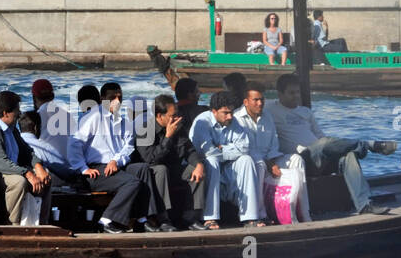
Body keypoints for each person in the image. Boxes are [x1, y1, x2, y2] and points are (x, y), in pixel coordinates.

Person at [267, 73, 396, 215]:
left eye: (297, 92)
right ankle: (369, 145)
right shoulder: (270, 110)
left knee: (349, 155)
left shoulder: (306, 112)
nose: (296, 96)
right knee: (323, 143)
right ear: (279, 94)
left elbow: (321, 136)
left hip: (320, 156)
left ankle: (364, 204)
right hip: (301, 159)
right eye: (291, 93)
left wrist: (332, 147)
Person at [68, 83, 161, 233]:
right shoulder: (93, 117)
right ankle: (106, 220)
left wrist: (115, 161)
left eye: (120, 97)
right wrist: (83, 168)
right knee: (132, 183)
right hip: (96, 170)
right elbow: (74, 143)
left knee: (143, 169)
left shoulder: (122, 120)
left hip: (115, 166)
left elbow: (128, 145)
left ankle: (143, 218)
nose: (117, 101)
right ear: (102, 98)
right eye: (112, 97)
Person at [0, 91, 51, 225]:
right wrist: (27, 174)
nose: (19, 114)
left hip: (13, 168)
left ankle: (43, 223)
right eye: (17, 111)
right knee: (18, 182)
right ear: (5, 113)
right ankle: (11, 223)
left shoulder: (12, 128)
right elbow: (1, 163)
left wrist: (38, 167)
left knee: (46, 177)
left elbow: (26, 151)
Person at [190, 91, 266, 229]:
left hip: (227, 166)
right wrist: (228, 149)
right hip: (206, 166)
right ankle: (209, 218)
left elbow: (244, 148)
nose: (230, 116)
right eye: (225, 113)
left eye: (231, 112)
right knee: (212, 161)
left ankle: (249, 217)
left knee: (247, 160)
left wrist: (222, 149)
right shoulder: (202, 122)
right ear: (214, 111)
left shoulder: (233, 121)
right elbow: (207, 152)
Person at [235, 83, 308, 223]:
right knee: (259, 164)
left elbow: (274, 143)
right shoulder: (237, 119)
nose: (260, 103)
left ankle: (303, 212)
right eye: (255, 100)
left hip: (271, 158)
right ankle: (261, 215)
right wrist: (269, 164)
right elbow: (246, 149)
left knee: (296, 159)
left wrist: (273, 161)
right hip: (252, 162)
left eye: (262, 99)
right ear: (246, 102)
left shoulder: (267, 116)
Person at [135, 93, 206, 230]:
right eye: (172, 115)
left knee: (196, 169)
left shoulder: (178, 126)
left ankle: (191, 217)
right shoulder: (145, 129)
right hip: (152, 172)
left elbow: (189, 150)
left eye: (177, 114)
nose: (176, 118)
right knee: (161, 169)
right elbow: (151, 160)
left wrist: (199, 164)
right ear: (159, 116)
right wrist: (167, 137)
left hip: (173, 169)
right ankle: (163, 219)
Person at [31, 78, 74, 165]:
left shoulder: (34, 118)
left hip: (51, 166)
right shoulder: (67, 115)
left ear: (34, 97)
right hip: (71, 164)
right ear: (53, 96)